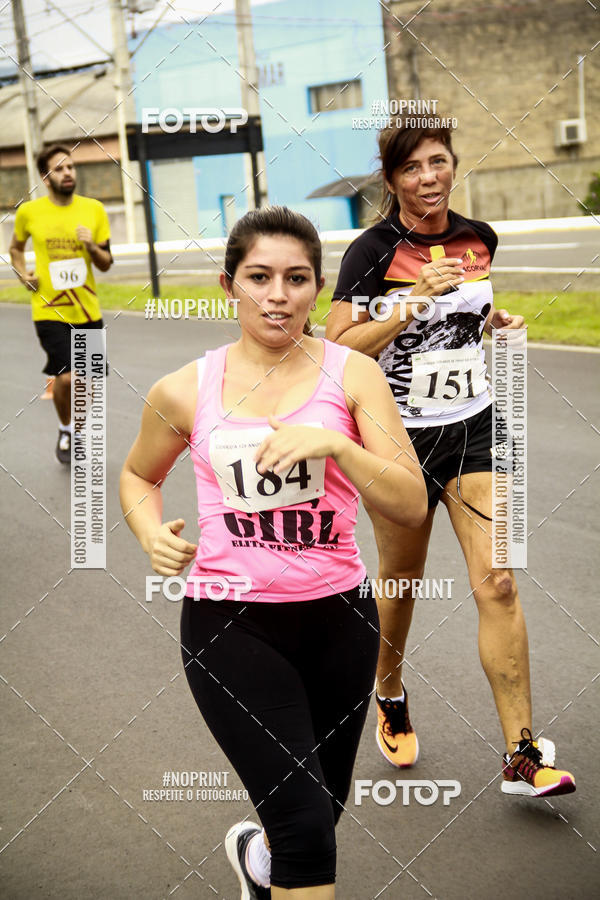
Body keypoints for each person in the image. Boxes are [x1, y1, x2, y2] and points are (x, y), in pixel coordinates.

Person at [120, 206, 427, 898]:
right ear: (229, 284)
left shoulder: (352, 377)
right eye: (259, 277)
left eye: (295, 278)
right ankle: (277, 856)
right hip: (231, 625)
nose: (277, 294)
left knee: (322, 809)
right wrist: (149, 532)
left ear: (317, 287)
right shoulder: (185, 388)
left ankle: (257, 863)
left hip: (341, 621)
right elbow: (139, 475)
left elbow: (409, 503)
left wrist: (340, 446)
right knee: (306, 829)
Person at [325, 121, 576, 798]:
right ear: (392, 180)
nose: (429, 177)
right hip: (397, 437)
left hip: (474, 428)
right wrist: (412, 301)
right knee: (401, 584)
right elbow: (341, 348)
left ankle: (523, 754)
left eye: (439, 162)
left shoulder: (478, 239)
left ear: (454, 167)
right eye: (413, 168)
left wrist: (495, 322)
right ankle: (390, 688)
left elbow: (467, 315)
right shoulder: (370, 251)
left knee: (498, 581)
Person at [9, 144, 113, 464]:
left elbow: (107, 262)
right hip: (49, 309)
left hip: (87, 310)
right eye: (60, 169)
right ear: (46, 177)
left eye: (71, 167)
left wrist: (91, 246)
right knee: (67, 377)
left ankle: (77, 432)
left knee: (88, 380)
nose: (68, 173)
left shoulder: (94, 209)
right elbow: (15, 248)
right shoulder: (29, 212)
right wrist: (22, 274)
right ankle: (66, 428)